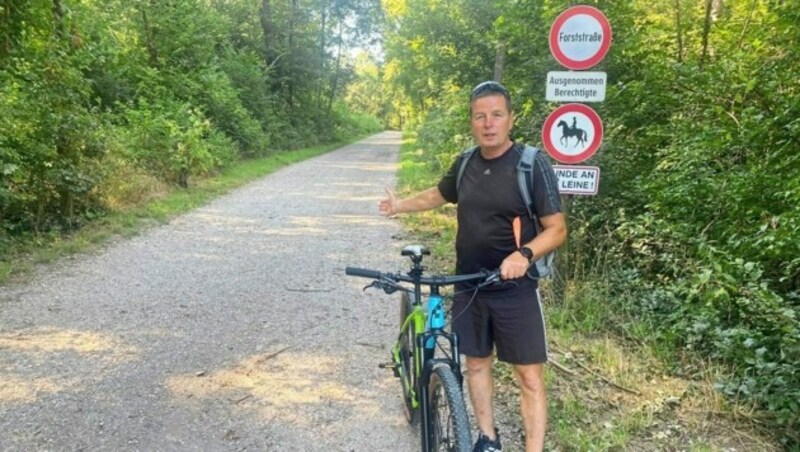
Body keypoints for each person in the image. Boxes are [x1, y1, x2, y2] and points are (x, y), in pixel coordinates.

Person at [378, 80, 566, 452]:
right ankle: (488, 438)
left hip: (515, 290)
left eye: (496, 115)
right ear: (472, 122)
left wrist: (523, 255)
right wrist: (400, 206)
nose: (488, 123)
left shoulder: (531, 164)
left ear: (510, 119)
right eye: (480, 116)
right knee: (477, 365)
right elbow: (439, 194)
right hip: (469, 285)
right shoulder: (465, 163)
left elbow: (557, 229)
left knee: (529, 377)